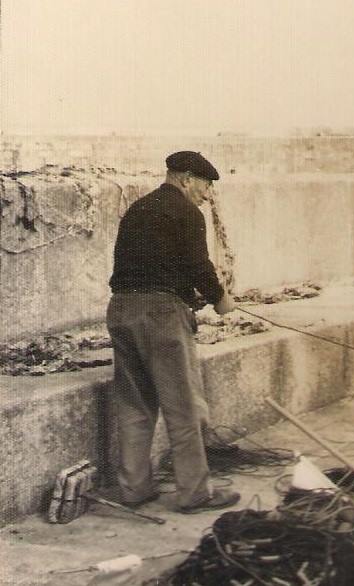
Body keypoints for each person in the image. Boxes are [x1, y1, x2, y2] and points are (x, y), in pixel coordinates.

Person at [107, 151, 240, 513]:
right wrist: (220, 299)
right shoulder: (187, 212)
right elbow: (199, 266)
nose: (207, 195)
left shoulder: (137, 209)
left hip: (120, 309)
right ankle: (195, 493)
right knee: (183, 407)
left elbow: (144, 265)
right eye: (206, 186)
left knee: (134, 406)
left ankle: (134, 488)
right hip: (161, 316)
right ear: (186, 178)